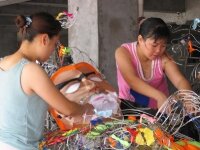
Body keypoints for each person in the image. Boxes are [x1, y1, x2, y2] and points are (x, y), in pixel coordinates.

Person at [0, 12, 94, 150]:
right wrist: (88, 109)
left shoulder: (3, 62)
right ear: (44, 39)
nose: (52, 51)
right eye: (54, 44)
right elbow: (67, 109)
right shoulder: (31, 70)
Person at [115, 17, 191, 110]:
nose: (158, 50)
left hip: (158, 112)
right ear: (140, 39)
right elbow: (132, 80)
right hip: (129, 110)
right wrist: (159, 96)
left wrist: (188, 98)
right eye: (154, 45)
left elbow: (180, 81)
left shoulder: (164, 58)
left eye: (163, 45)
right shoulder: (124, 52)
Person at [49, 62, 121, 130]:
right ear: (62, 114)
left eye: (94, 78)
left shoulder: (130, 107)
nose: (92, 85)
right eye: (74, 87)